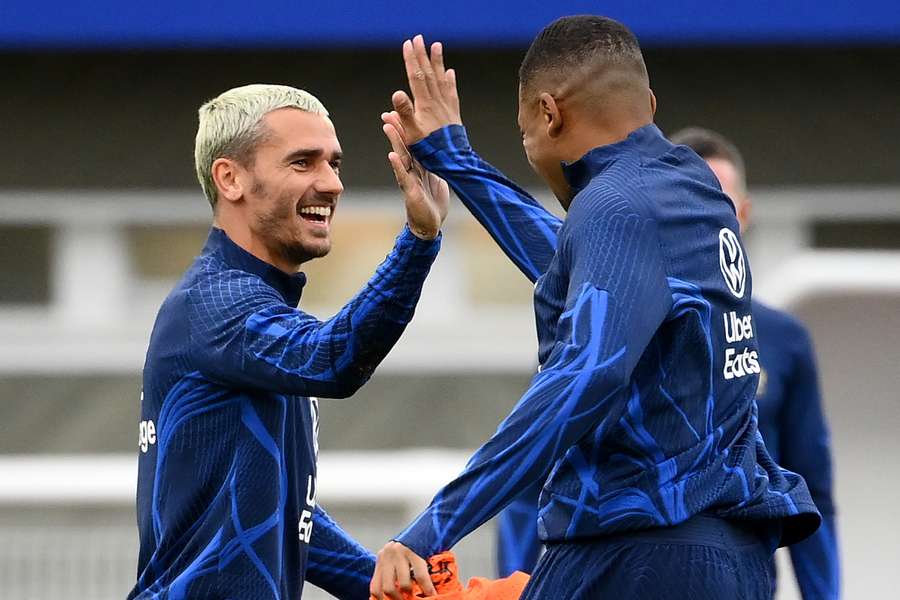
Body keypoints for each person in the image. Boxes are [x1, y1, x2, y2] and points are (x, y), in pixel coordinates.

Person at [370, 17, 820, 600]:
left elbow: (583, 375)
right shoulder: (694, 190)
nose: (530, 150)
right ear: (649, 103)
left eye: (525, 130)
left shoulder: (615, 207)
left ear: (549, 114)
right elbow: (578, 268)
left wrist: (435, 526)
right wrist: (455, 159)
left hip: (637, 557)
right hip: (733, 559)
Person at [129, 83, 448, 600]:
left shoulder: (250, 310)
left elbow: (281, 514)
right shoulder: (215, 302)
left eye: (334, 164)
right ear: (230, 178)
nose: (332, 184)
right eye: (303, 162)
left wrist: (392, 588)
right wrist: (418, 240)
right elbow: (333, 359)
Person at [670, 127, 840, 599]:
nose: (706, 219)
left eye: (720, 203)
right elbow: (538, 485)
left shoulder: (784, 340)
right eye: (689, 202)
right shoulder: (615, 326)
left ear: (744, 213)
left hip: (744, 583)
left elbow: (814, 493)